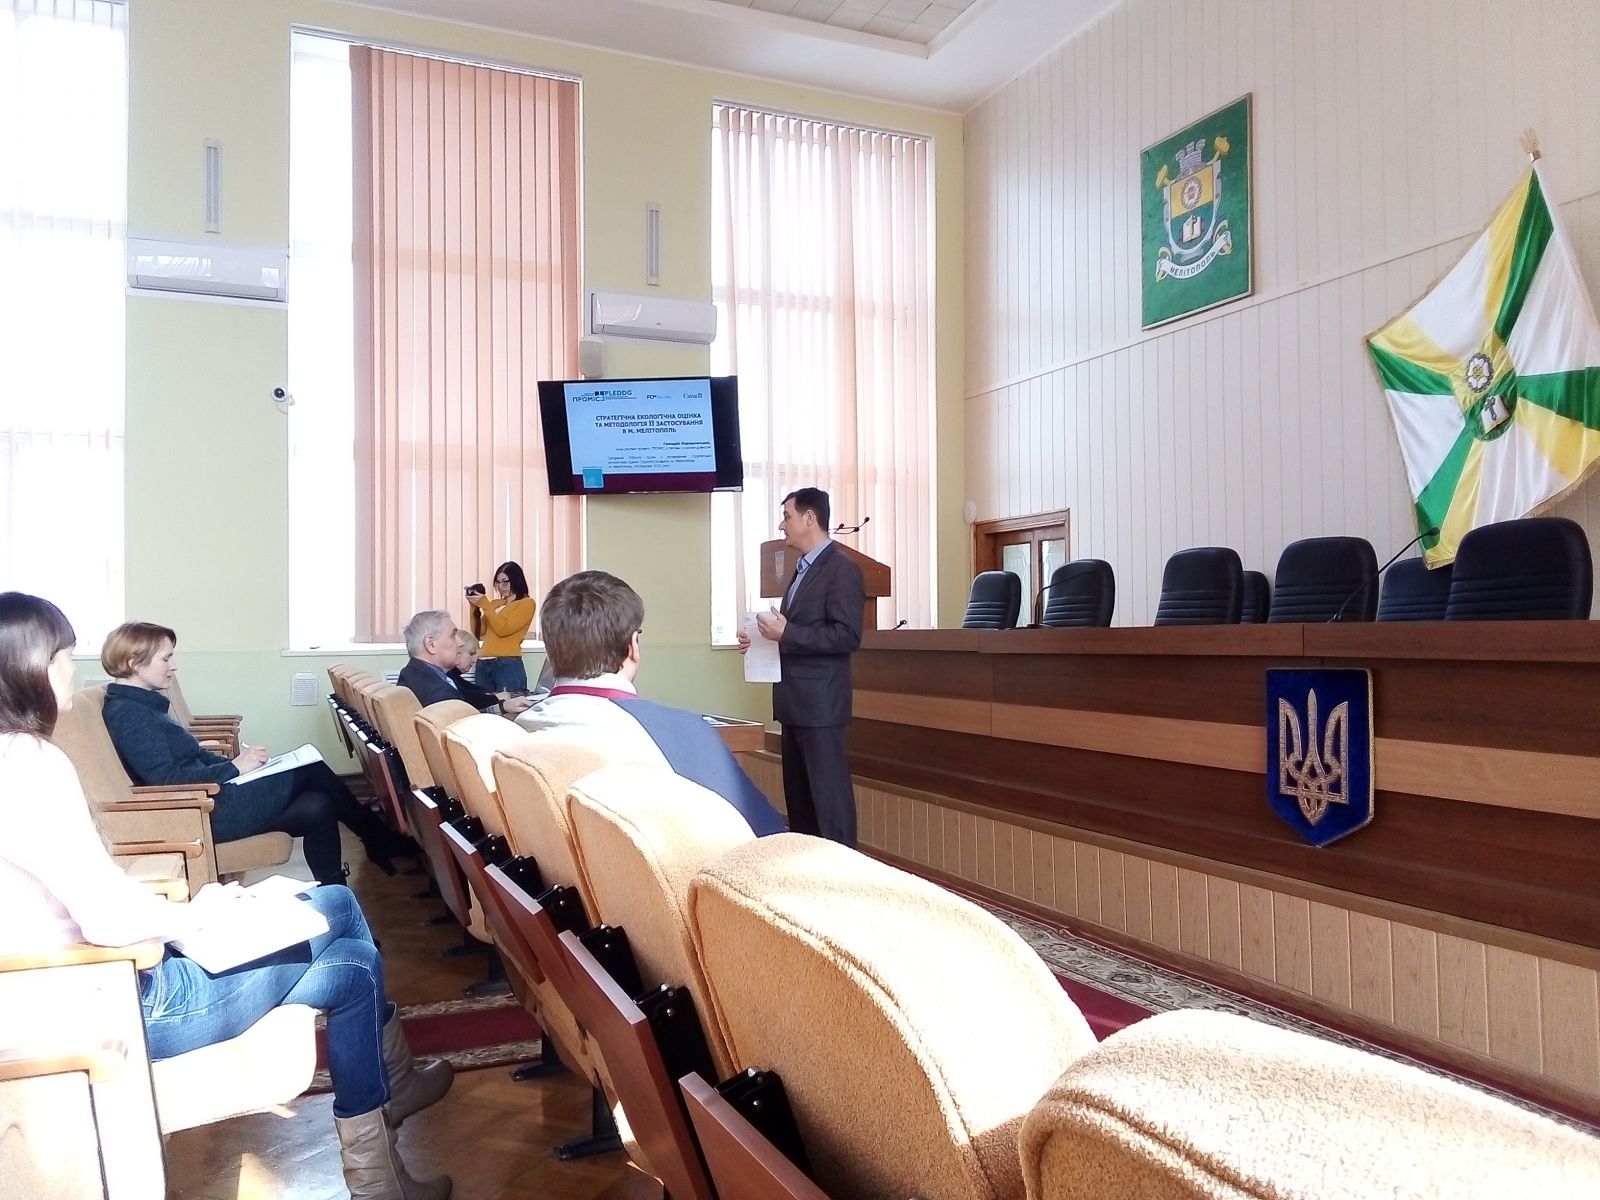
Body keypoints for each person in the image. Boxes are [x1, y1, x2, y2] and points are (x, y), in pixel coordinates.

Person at [0, 592, 453, 1200]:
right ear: (29, 667)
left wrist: (194, 917)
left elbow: (94, 900)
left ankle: (383, 1162)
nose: (71, 672)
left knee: (350, 960)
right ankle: (382, 1157)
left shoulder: (16, 761)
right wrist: (200, 915)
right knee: (341, 919)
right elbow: (108, 918)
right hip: (120, 1001)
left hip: (92, 986)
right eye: (63, 657)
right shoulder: (30, 764)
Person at [101, 622, 419, 885]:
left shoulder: (142, 705)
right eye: (166, 659)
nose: (174, 666)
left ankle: (338, 900)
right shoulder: (130, 714)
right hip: (203, 812)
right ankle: (375, 837)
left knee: (318, 806)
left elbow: (193, 757)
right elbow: (166, 779)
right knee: (310, 769)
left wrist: (238, 765)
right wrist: (235, 769)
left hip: (212, 799)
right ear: (134, 663)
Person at [517, 571, 784, 836]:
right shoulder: (680, 733)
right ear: (633, 645)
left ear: (551, 651)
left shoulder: (520, 729)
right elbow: (763, 836)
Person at [737, 487, 865, 846]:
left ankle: (842, 871)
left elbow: (847, 636)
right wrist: (762, 639)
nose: (782, 525)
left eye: (787, 516)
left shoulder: (841, 569)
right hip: (794, 703)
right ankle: (807, 868)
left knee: (829, 805)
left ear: (810, 518)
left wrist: (787, 633)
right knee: (801, 803)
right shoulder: (801, 569)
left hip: (820, 705)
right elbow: (796, 632)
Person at [397, 610, 533, 717]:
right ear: (431, 644)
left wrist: (502, 707)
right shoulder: (437, 693)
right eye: (453, 635)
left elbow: (463, 716)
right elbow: (466, 726)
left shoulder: (410, 674)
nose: (460, 642)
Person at [465, 561, 535, 693]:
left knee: (511, 703)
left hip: (507, 663)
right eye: (498, 582)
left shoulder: (527, 604)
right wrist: (474, 607)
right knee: (485, 703)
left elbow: (503, 630)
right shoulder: (495, 604)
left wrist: (485, 605)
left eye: (505, 582)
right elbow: (479, 632)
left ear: (516, 581)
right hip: (483, 663)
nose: (501, 587)